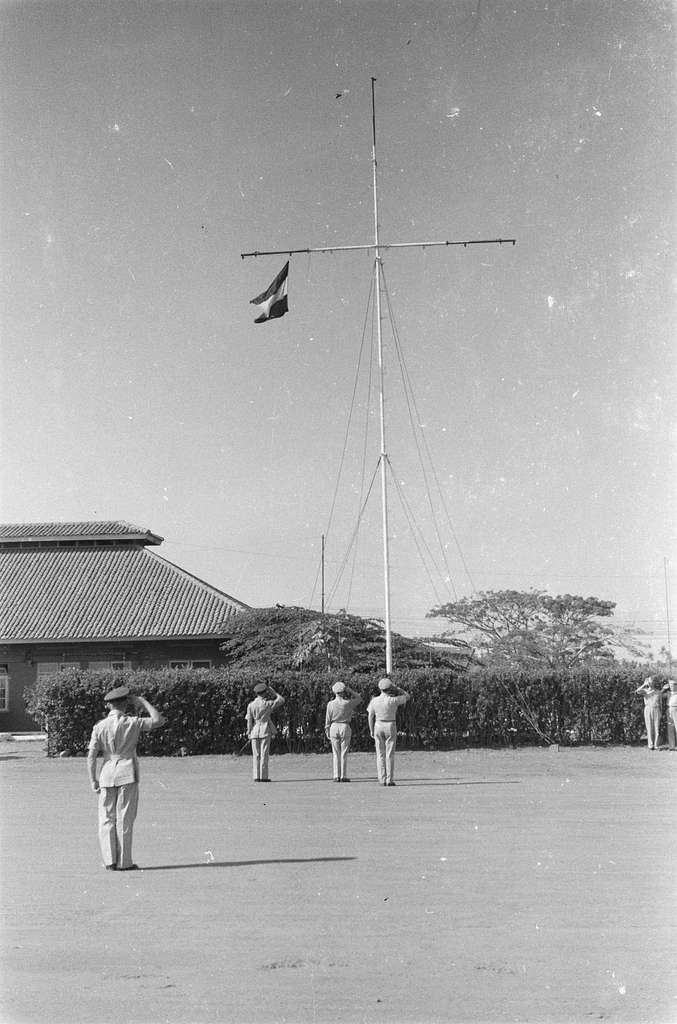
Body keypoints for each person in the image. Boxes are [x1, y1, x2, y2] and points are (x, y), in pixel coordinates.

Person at [87, 685, 166, 871]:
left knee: (106, 818)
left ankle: (109, 861)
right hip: (127, 772)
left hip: (106, 773)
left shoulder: (99, 726)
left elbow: (91, 756)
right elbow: (158, 720)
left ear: (109, 706)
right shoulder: (133, 722)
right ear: (126, 703)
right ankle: (124, 862)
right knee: (125, 818)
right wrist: (143, 701)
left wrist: (92, 779)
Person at [367, 677, 410, 786]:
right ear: (389, 688)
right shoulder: (393, 700)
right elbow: (407, 696)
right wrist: (397, 688)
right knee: (389, 754)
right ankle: (389, 780)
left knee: (380, 754)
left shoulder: (374, 700)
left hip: (378, 724)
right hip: (390, 724)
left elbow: (370, 715)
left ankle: (382, 779)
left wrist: (371, 729)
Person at [246, 683, 285, 781]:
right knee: (264, 754)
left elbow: (249, 721)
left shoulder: (250, 705)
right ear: (265, 692)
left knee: (256, 755)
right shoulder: (267, 704)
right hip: (265, 730)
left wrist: (249, 732)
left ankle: (256, 776)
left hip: (254, 731)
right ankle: (263, 777)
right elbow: (281, 700)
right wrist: (273, 691)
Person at [324, 681, 362, 782]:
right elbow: (359, 698)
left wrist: (327, 729)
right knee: (344, 752)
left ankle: (336, 775)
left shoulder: (330, 704)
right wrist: (350, 690)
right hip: (345, 726)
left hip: (334, 726)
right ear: (343, 692)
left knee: (336, 753)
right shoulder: (348, 703)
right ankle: (343, 776)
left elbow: (327, 718)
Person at [635, 676, 663, 750]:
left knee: (656, 728)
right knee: (649, 727)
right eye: (649, 682)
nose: (651, 683)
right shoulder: (645, 691)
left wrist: (661, 712)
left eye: (652, 682)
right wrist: (644, 684)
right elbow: (637, 691)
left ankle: (656, 745)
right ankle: (650, 745)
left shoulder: (658, 692)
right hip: (648, 709)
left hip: (656, 709)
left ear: (654, 683)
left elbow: (661, 704)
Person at [661, 676, 677, 750]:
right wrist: (663, 689)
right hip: (669, 709)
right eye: (670, 686)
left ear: (675, 685)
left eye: (672, 685)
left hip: (676, 709)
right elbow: (659, 695)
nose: (671, 687)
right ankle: (672, 746)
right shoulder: (668, 693)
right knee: (670, 727)